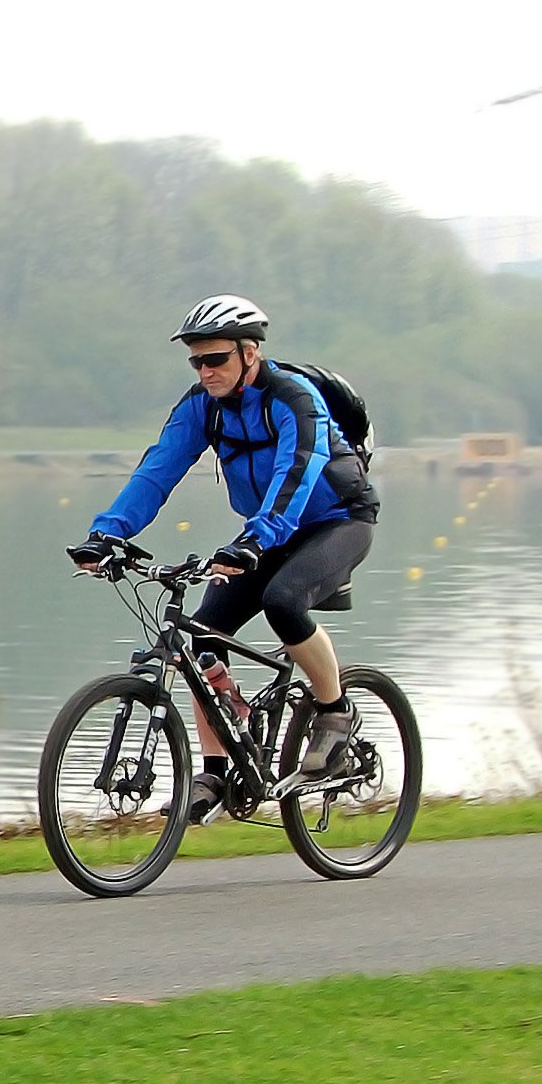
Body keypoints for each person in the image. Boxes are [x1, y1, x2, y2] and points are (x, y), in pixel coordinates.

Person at [69, 294, 378, 820]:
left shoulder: (292, 398)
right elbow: (157, 470)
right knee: (202, 632)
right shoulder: (200, 407)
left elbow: (297, 471)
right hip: (268, 531)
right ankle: (215, 769)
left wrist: (256, 540)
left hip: (337, 519)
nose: (206, 371)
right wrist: (107, 534)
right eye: (197, 362)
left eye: (216, 359)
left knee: (284, 602)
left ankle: (333, 711)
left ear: (250, 353)